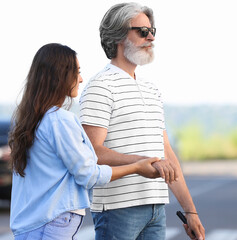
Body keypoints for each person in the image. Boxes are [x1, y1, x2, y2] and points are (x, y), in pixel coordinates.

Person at [8, 43, 162, 240]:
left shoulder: (31, 119)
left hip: (31, 226)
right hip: (50, 225)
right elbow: (89, 175)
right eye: (76, 72)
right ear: (60, 75)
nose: (80, 79)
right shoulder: (59, 120)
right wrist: (136, 167)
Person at [79, 2, 205, 240]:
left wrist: (190, 210)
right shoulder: (100, 86)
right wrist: (142, 162)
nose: (151, 37)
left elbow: (166, 154)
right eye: (142, 31)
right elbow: (90, 152)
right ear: (118, 35)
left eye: (152, 31)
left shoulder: (152, 90)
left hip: (156, 209)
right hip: (117, 210)